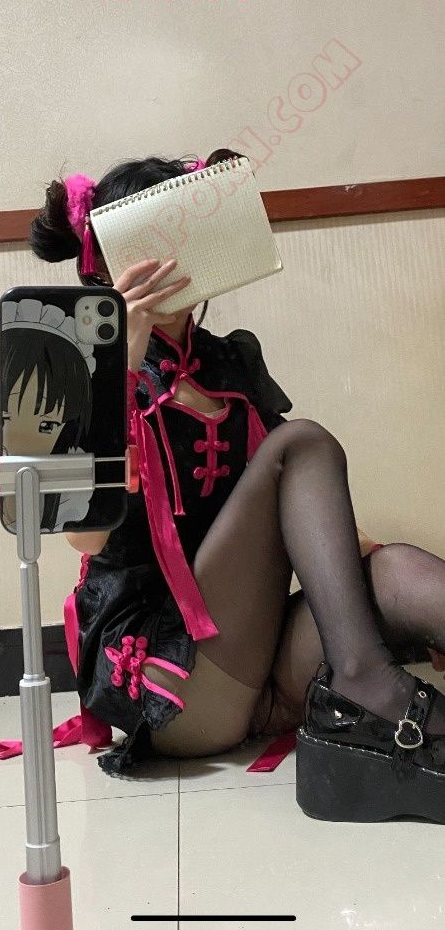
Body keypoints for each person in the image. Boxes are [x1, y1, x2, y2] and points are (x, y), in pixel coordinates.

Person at [27, 148, 445, 822]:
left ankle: (363, 682)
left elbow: (303, 506)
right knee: (302, 439)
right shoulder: (81, 373)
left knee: (393, 568)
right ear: (104, 265)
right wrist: (119, 361)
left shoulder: (229, 360)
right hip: (179, 683)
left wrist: (382, 589)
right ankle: (368, 687)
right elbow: (85, 538)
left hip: (256, 661)